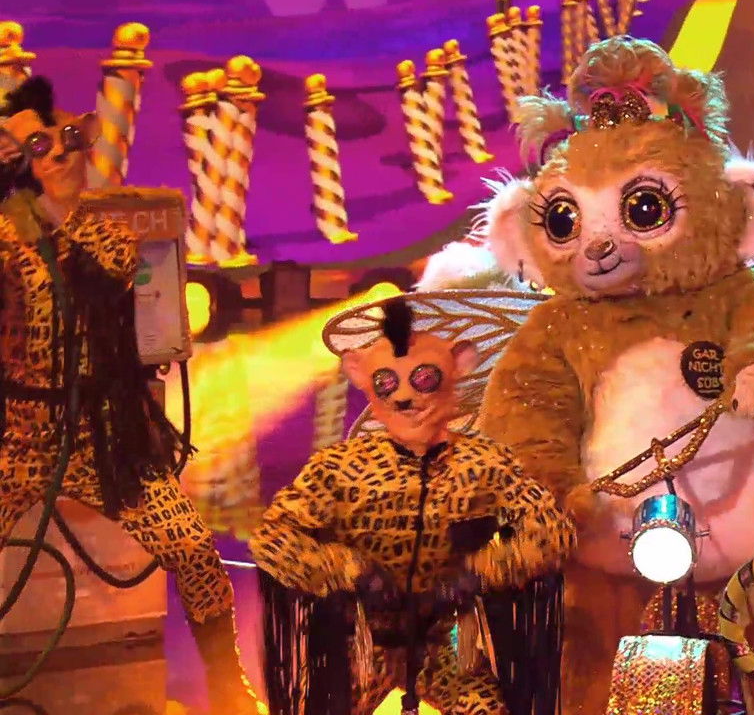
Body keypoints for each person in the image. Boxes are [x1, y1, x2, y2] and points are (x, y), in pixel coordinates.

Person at [0, 76, 263, 713]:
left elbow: (129, 285)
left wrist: (55, 218)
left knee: (192, 548)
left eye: (70, 139)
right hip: (17, 434)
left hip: (99, 436)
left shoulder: (102, 238)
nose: (62, 155)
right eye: (41, 148)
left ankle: (226, 682)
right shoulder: (4, 239)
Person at [251, 295, 576, 715]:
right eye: (387, 383)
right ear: (361, 378)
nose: (404, 397)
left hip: (446, 644)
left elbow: (553, 533)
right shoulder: (339, 467)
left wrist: (478, 574)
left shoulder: (484, 462)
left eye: (423, 379)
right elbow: (271, 538)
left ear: (459, 367)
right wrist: (351, 572)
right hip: (364, 644)